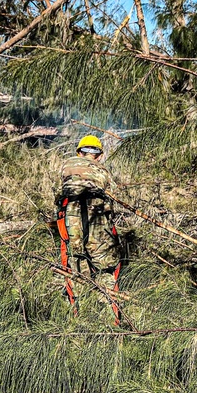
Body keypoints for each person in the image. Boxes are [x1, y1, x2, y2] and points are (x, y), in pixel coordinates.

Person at [55, 135, 123, 324]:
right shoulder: (103, 170)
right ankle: (111, 320)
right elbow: (113, 197)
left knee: (76, 263)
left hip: (71, 218)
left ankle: (81, 318)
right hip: (98, 217)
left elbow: (58, 194)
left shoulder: (66, 165)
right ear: (99, 155)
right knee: (105, 267)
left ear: (79, 152)